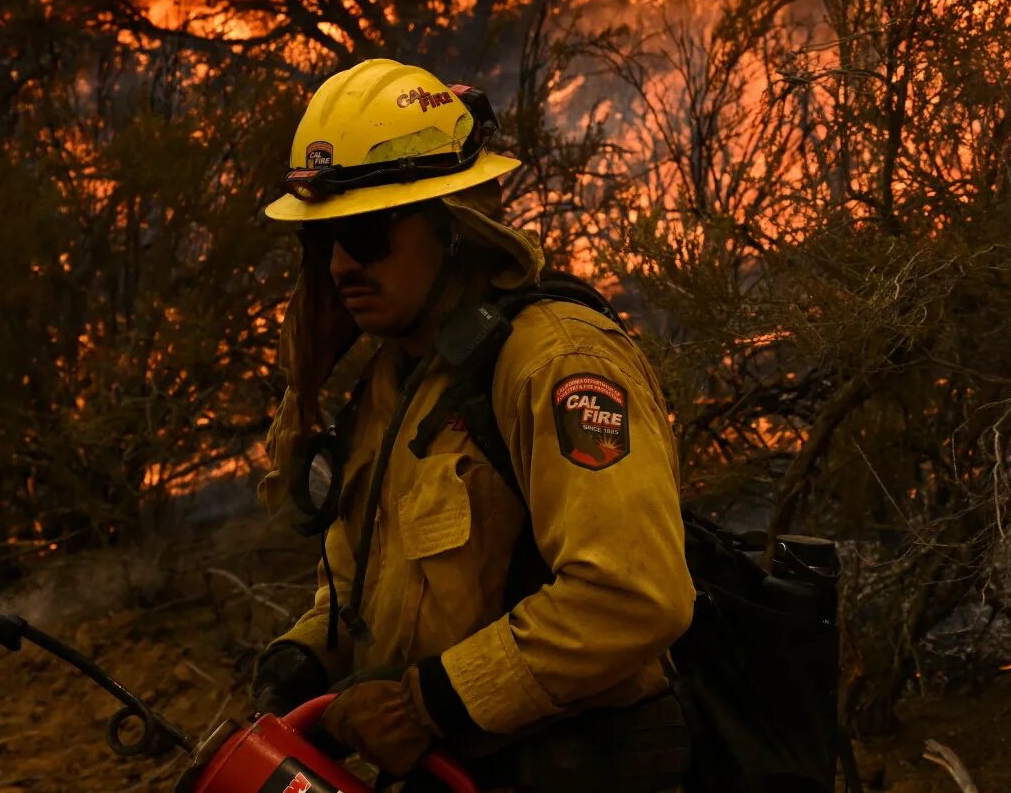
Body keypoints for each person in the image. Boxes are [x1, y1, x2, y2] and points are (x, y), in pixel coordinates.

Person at [249, 58, 695, 788]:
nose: (338, 267)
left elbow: (634, 591)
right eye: (320, 240)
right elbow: (372, 584)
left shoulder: (555, 361)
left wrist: (429, 702)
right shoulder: (395, 383)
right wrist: (305, 659)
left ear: (454, 225)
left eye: (364, 233)